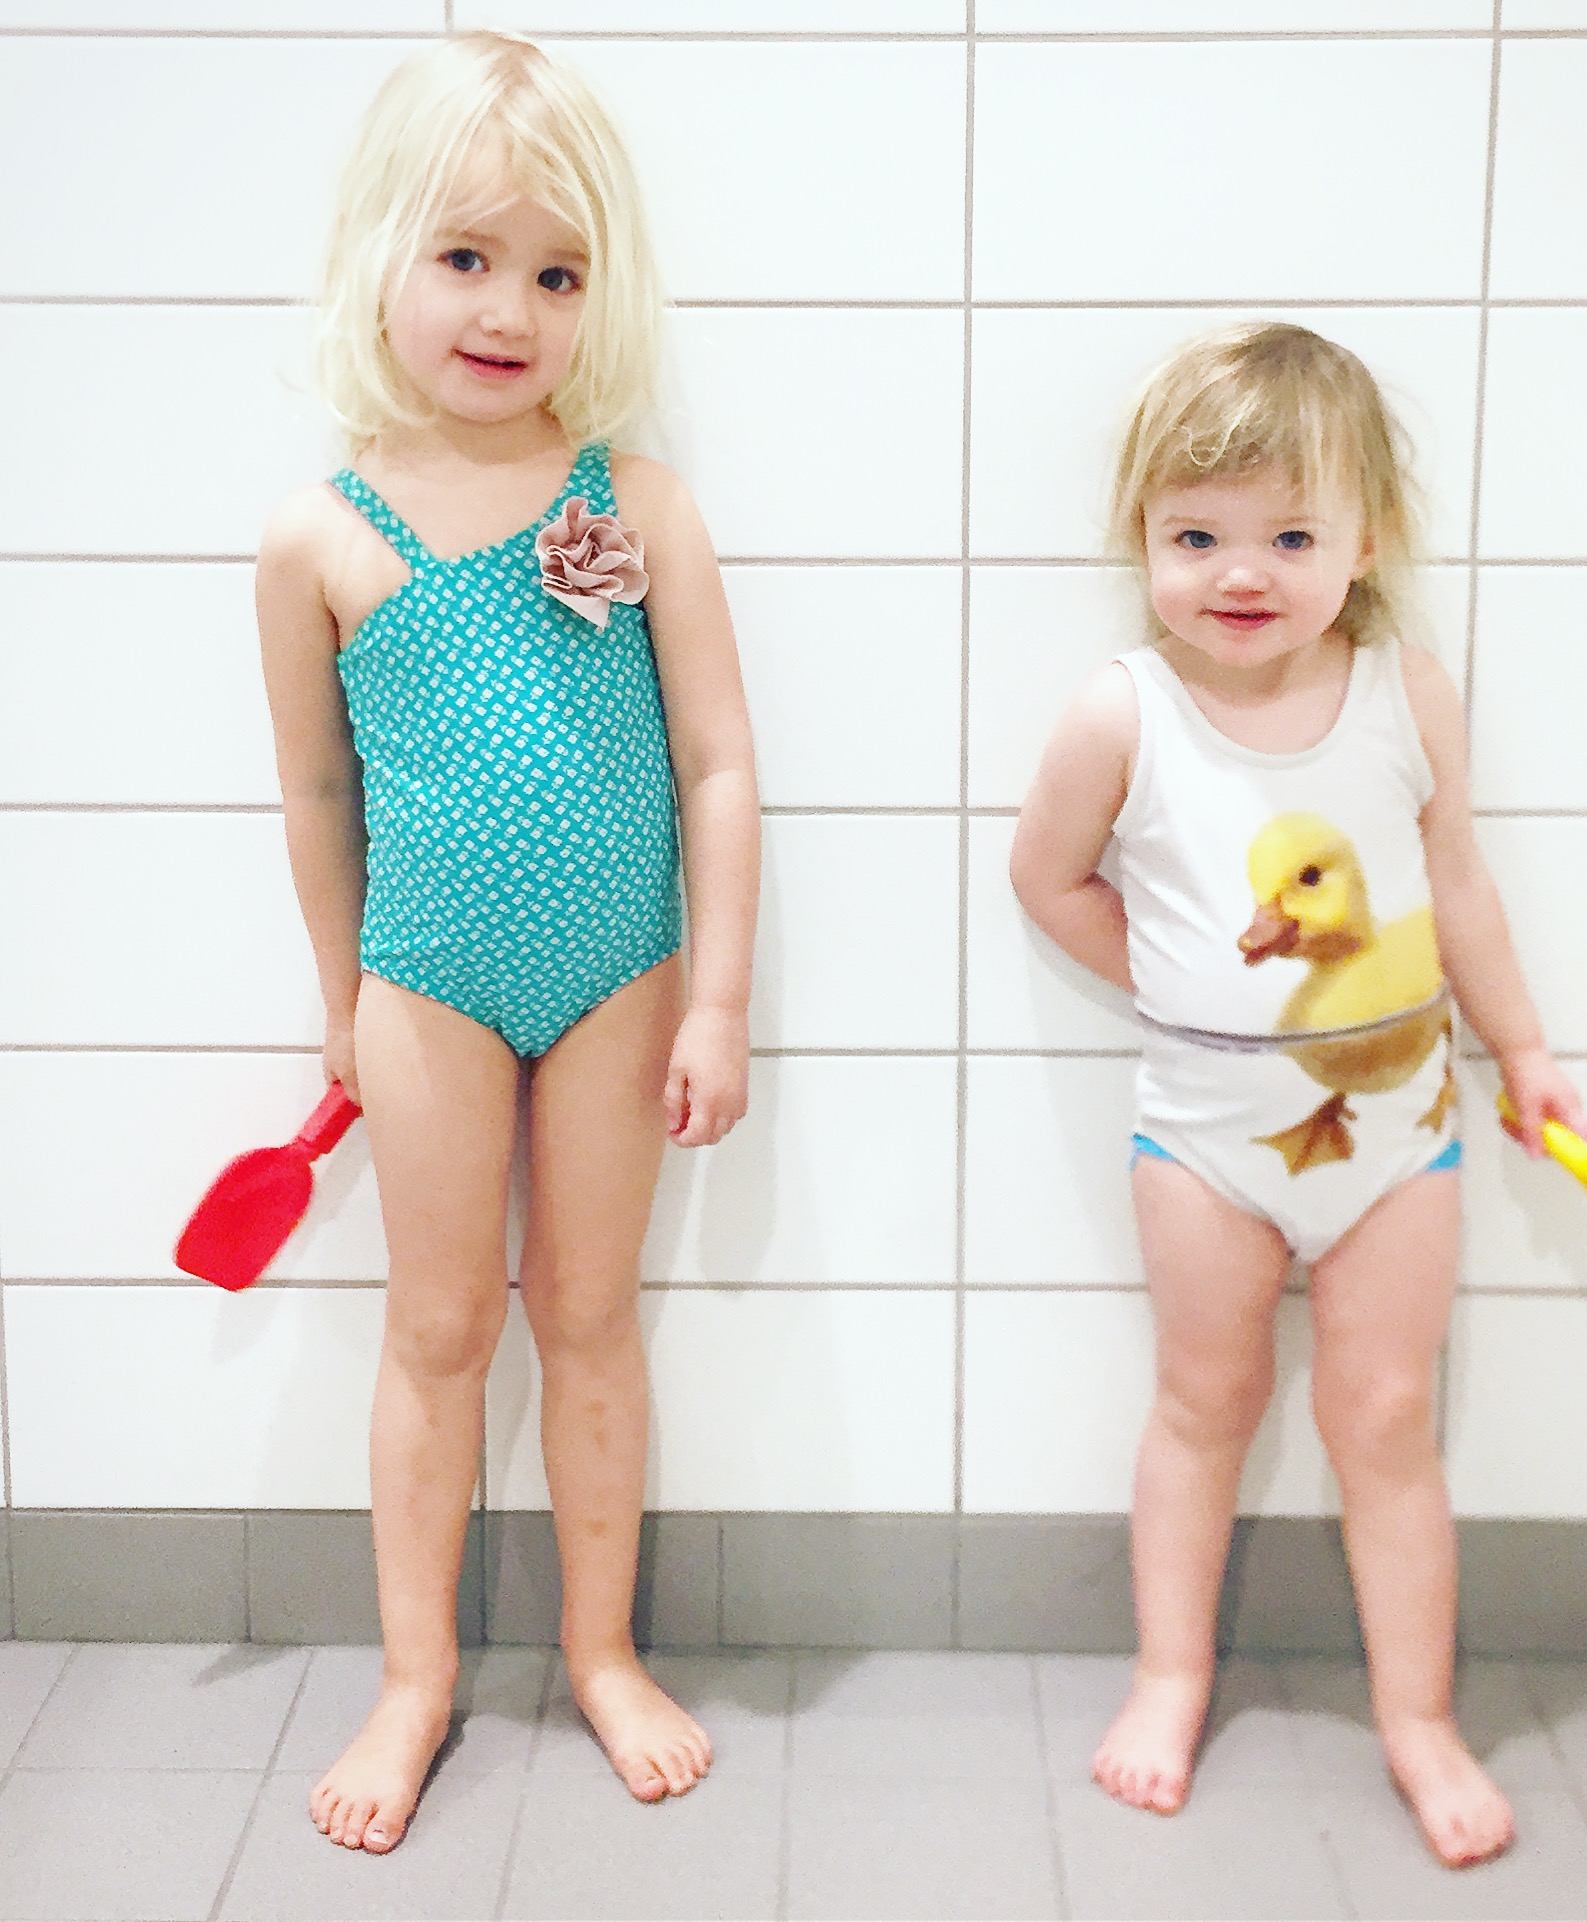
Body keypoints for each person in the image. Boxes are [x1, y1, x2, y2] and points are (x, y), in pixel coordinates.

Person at [256, 31, 758, 1853]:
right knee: (440, 1321)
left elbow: (715, 762)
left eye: (557, 272)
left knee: (591, 1314)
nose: (510, 308)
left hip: (620, 972)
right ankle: (415, 1677)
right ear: (378, 255)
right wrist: (341, 1000)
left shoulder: (636, 505)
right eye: (466, 256)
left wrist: (718, 997)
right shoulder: (321, 537)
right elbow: (318, 793)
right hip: (426, 984)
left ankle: (603, 1650)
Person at [1009, 322, 1587, 1867]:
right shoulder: (1123, 710)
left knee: (1385, 1416)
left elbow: (1455, 884)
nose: (1239, 572)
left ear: (1364, 541)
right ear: (1142, 536)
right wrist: (1177, 982)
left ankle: (1418, 1715)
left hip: (1398, 1137)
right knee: (1202, 1401)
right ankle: (1169, 1675)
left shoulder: (1406, 692)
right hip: (1204, 1141)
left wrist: (1524, 1048)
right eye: (1195, 535)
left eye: (1288, 535)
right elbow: (1044, 877)